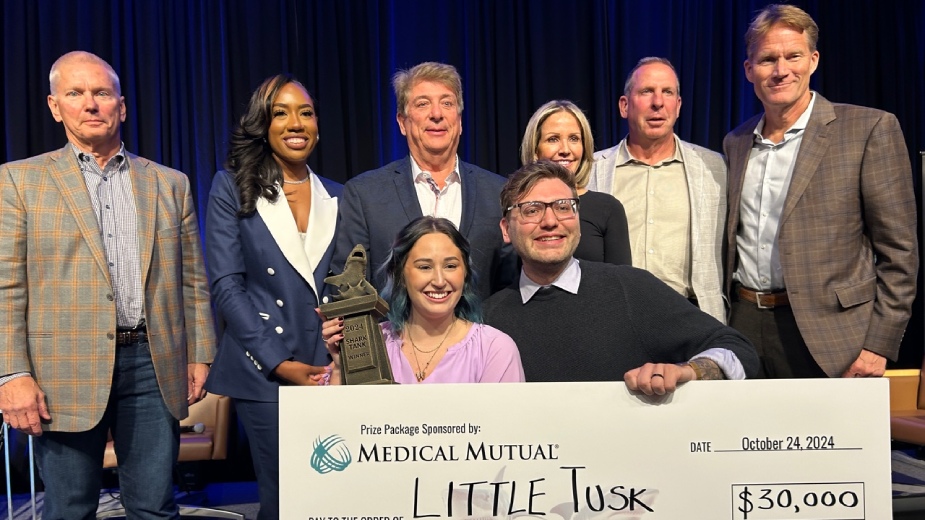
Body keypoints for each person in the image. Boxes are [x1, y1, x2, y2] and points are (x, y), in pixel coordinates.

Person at [0, 51, 215, 520]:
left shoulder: (169, 183)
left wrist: (200, 352)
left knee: (154, 508)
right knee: (69, 510)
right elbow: (6, 287)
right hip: (63, 369)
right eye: (76, 93)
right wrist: (12, 373)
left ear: (121, 104)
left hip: (153, 365)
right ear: (56, 106)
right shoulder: (18, 181)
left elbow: (192, 279)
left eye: (101, 92)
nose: (90, 104)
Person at [724, 4, 917, 378]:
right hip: (744, 323)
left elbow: (900, 253)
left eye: (792, 56)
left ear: (813, 60)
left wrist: (879, 344)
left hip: (834, 337)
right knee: (749, 438)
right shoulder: (736, 141)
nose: (781, 70)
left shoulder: (868, 129)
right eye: (767, 59)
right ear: (749, 70)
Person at [483, 161, 759, 394]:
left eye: (563, 207)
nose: (550, 221)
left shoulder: (630, 289)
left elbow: (738, 351)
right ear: (507, 229)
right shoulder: (488, 319)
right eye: (532, 210)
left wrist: (688, 371)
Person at [204, 74, 342, 519]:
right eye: (280, 113)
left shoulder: (339, 196)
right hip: (265, 370)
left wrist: (342, 358)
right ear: (262, 124)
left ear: (318, 125)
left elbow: (346, 288)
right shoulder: (231, 188)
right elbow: (227, 285)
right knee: (285, 501)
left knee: (334, 499)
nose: (295, 123)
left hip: (330, 366)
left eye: (305, 112)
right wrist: (279, 361)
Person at [333, 61, 517, 299]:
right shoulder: (364, 194)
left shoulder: (498, 192)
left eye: (447, 103)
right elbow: (350, 288)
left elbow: (511, 286)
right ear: (402, 122)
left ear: (459, 122)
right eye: (423, 104)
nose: (437, 114)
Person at [588, 57, 728, 323]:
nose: (658, 102)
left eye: (668, 92)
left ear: (678, 105)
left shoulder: (715, 167)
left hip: (693, 317)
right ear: (624, 105)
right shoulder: (592, 169)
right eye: (646, 92)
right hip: (617, 317)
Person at [322, 217, 524, 384]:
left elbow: (503, 429)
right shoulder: (374, 344)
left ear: (465, 274)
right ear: (400, 274)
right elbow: (342, 426)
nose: (439, 281)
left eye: (451, 266)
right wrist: (342, 367)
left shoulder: (494, 349)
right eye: (424, 267)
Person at [520, 100, 631, 265]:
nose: (565, 150)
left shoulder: (607, 209)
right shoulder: (517, 207)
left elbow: (623, 282)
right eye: (553, 139)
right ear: (535, 148)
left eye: (574, 139)